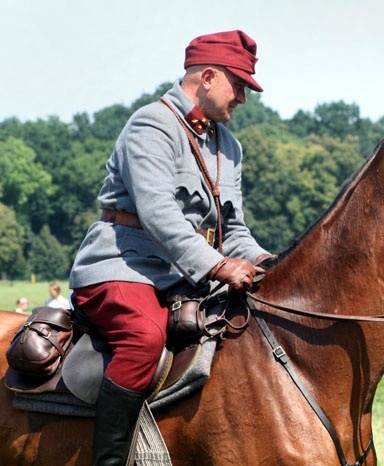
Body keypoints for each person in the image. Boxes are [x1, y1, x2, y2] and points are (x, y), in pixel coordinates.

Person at [68, 30, 274, 465]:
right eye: (239, 86)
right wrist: (218, 266)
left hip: (185, 274)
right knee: (144, 338)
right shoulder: (151, 124)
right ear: (209, 77)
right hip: (123, 266)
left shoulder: (229, 146)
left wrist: (265, 262)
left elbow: (231, 227)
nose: (242, 98)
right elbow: (159, 213)